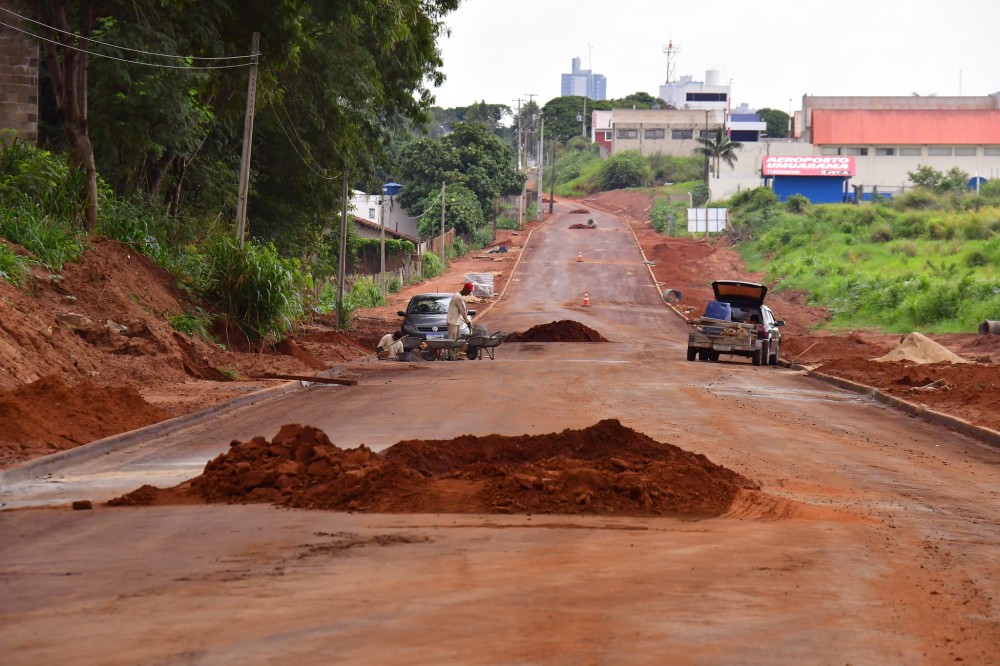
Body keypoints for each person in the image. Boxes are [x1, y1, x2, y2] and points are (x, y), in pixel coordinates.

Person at [445, 281, 474, 360]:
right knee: (453, 340)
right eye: (469, 291)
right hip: (452, 322)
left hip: (456, 321)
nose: (469, 293)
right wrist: (468, 322)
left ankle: (455, 356)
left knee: (457, 340)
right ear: (465, 288)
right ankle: (451, 357)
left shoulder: (459, 296)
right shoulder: (458, 297)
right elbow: (463, 311)